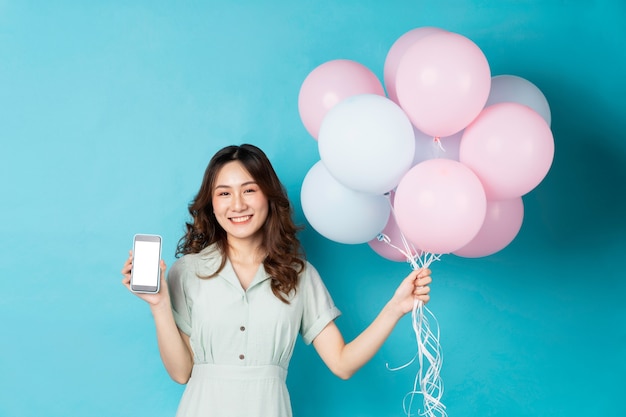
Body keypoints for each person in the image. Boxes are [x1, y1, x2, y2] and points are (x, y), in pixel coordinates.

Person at [121, 144, 432, 417]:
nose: (237, 204)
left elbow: (342, 363)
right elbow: (181, 372)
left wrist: (395, 308)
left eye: (249, 189)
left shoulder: (299, 274)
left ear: (268, 197)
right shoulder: (186, 271)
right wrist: (159, 304)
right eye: (224, 193)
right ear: (211, 204)